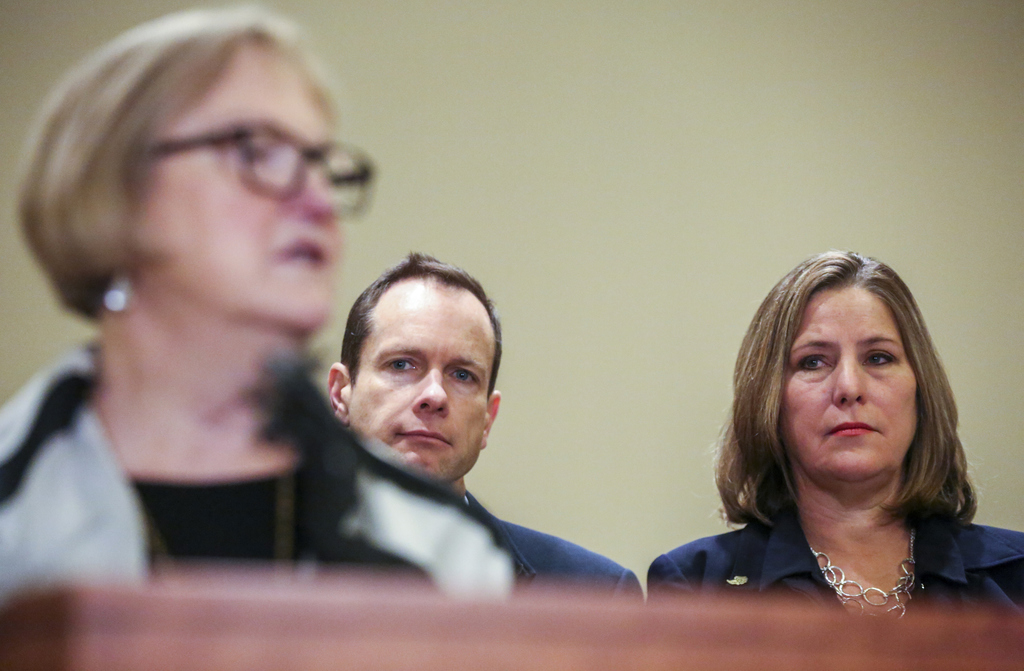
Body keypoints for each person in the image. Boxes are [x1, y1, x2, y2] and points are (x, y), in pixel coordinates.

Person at [0, 7, 512, 601]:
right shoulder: (17, 506)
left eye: (322, 165)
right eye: (257, 152)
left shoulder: (443, 547)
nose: (318, 200)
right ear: (115, 193)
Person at [648, 251, 1024, 613]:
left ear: (921, 388)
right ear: (769, 399)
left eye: (878, 357)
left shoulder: (1014, 579)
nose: (848, 387)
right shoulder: (694, 587)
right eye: (813, 361)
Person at [329, 252, 642, 596]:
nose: (434, 395)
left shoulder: (595, 595)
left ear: (488, 419)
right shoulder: (268, 564)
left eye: (462, 375)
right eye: (402, 364)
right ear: (341, 392)